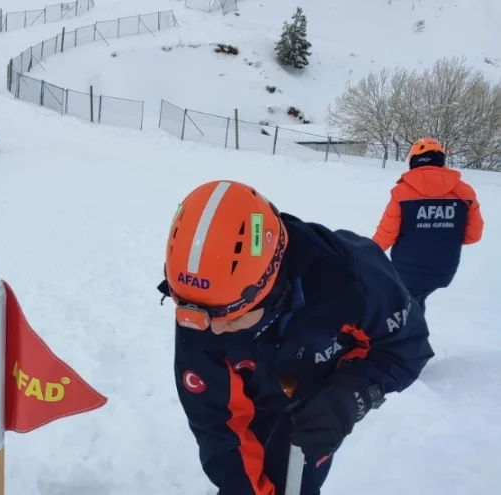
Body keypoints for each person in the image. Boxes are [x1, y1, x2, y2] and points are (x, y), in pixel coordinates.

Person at [159, 180, 433, 495]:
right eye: (195, 315)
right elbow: (217, 425)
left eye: (232, 317)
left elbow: (406, 348)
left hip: (318, 405)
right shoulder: (203, 309)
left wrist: (348, 397)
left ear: (270, 288)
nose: (216, 330)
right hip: (251, 403)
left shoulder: (352, 276)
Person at [372, 137, 484, 310]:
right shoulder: (465, 193)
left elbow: (386, 235)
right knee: (415, 304)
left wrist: (367, 251)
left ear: (414, 159)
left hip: (406, 271)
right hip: (444, 271)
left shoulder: (402, 192)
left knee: (401, 310)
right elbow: (473, 235)